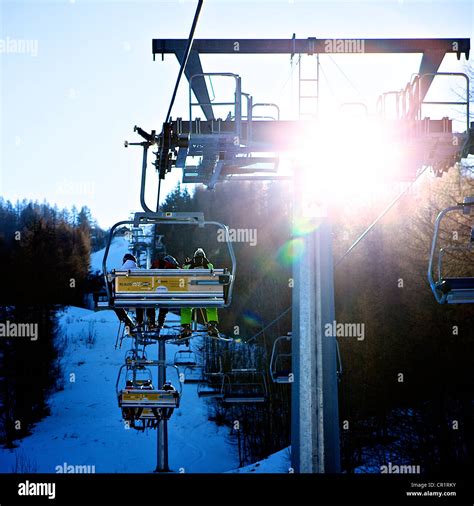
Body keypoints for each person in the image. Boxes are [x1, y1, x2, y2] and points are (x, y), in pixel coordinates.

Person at [179, 248, 220, 339]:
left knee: (186, 307)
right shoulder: (209, 265)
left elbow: (183, 274)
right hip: (205, 294)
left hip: (191, 295)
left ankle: (186, 327)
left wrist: (186, 264)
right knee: (211, 305)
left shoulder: (189, 265)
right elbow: (213, 274)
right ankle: (212, 325)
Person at [113, 253, 154, 332]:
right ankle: (140, 321)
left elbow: (114, 288)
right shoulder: (140, 272)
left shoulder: (119, 273)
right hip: (138, 300)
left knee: (116, 304)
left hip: (123, 300)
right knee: (140, 299)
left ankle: (128, 322)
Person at [149, 254, 180, 333]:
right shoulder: (173, 268)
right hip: (166, 294)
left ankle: (151, 321)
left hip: (153, 293)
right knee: (165, 299)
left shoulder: (155, 265)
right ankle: (160, 321)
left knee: (149, 301)